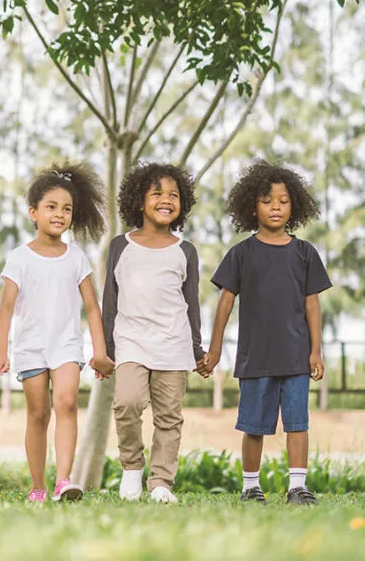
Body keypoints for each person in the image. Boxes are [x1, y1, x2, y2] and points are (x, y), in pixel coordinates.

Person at [200, 161, 332, 506]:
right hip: (255, 357)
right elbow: (225, 303)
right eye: (267, 200)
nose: (276, 207)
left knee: (297, 423)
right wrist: (213, 351)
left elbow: (313, 305)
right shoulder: (241, 254)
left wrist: (316, 350)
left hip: (296, 357)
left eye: (283, 201)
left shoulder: (305, 253)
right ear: (251, 206)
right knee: (254, 426)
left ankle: (297, 487)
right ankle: (250, 487)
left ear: (295, 206)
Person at [0, 161, 113, 502]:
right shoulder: (19, 258)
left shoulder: (76, 257)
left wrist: (99, 352)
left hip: (66, 345)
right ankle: (38, 488)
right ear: (33, 212)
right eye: (51, 207)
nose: (59, 214)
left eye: (66, 209)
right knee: (38, 414)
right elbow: (6, 308)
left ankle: (64, 481)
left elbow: (91, 307)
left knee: (67, 403)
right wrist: (0, 350)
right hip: (30, 346)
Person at [103, 162, 205, 504]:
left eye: (174, 195)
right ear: (139, 200)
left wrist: (197, 349)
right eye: (157, 193)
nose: (166, 199)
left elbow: (191, 304)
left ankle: (161, 482)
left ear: (182, 204)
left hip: (174, 345)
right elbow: (110, 299)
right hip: (131, 340)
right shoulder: (121, 246)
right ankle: (132, 466)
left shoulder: (185, 250)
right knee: (127, 402)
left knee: (169, 417)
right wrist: (106, 348)